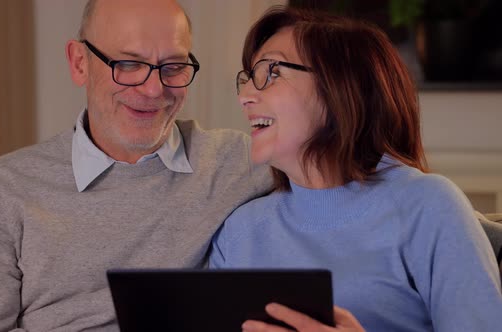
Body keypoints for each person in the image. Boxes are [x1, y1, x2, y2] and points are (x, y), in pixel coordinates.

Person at [0, 0, 271, 330]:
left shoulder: (241, 160)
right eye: (129, 63)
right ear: (79, 63)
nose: (153, 89)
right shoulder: (7, 187)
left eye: (173, 67)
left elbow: (322, 171)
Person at [209, 7, 502, 332]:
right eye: (248, 78)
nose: (245, 95)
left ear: (340, 87)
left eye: (272, 72)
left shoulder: (427, 206)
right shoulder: (238, 234)